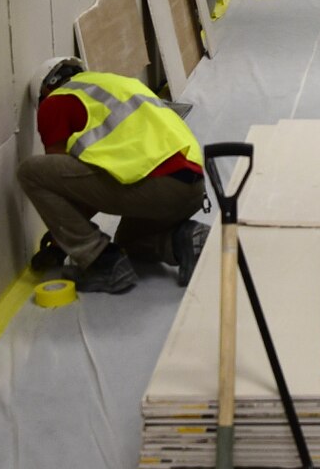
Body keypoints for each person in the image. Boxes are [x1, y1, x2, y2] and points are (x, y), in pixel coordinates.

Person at [16, 56, 209, 294]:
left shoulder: (54, 102)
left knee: (32, 172)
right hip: (191, 187)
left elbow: (68, 188)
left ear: (46, 88)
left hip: (156, 187)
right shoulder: (118, 85)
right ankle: (184, 240)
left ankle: (102, 264)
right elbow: (89, 188)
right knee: (128, 241)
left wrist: (63, 241)